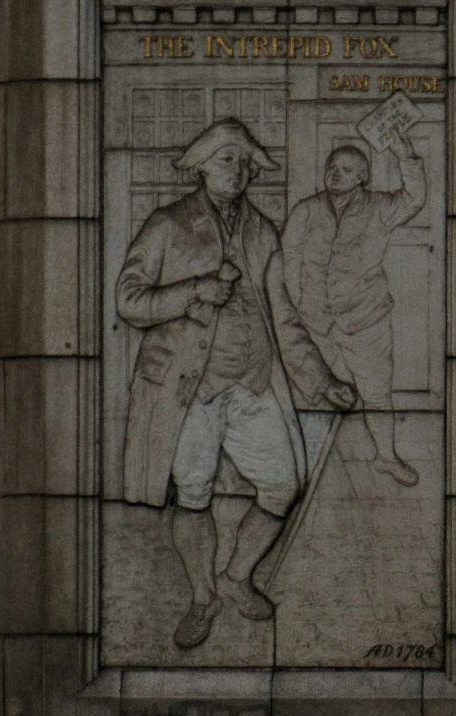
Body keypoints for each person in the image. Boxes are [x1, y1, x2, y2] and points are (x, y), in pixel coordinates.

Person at [115, 119, 356, 650]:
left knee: (282, 485)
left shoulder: (263, 230)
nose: (240, 170)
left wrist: (320, 381)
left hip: (252, 384)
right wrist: (194, 289)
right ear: (201, 165)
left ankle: (236, 577)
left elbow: (285, 316)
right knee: (194, 494)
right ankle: (202, 597)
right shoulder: (167, 224)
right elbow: (128, 300)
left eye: (247, 162)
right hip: (189, 390)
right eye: (228, 159)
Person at [280, 130, 427, 485]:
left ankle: (386, 458)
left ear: (363, 176)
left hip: (366, 319)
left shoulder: (380, 206)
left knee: (376, 392)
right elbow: (288, 260)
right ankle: (304, 467)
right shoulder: (306, 210)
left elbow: (415, 198)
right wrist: (297, 307)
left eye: (346, 169)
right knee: (313, 389)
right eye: (331, 167)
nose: (335, 173)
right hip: (315, 322)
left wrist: (405, 156)